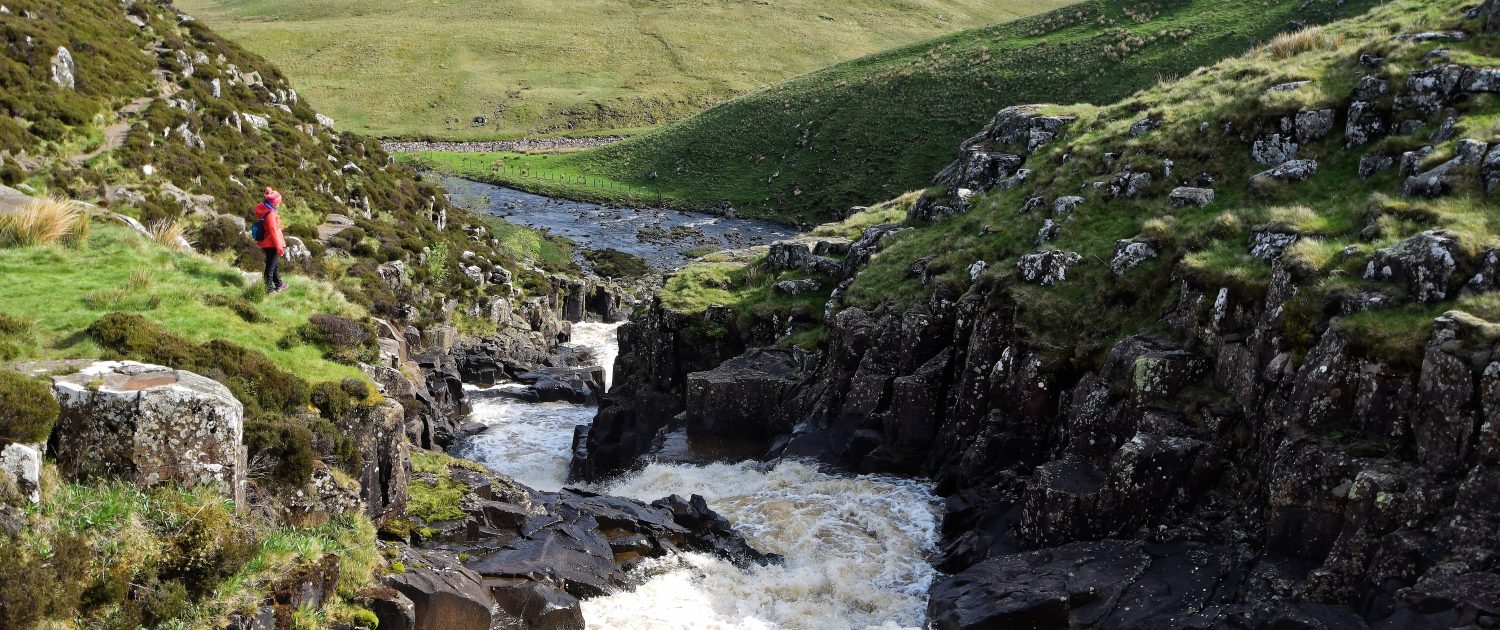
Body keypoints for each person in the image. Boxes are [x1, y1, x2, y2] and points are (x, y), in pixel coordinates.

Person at [254, 187, 288, 293]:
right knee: (270, 267)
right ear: (274, 203)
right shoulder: (271, 214)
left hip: (267, 242)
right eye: (278, 202)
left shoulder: (265, 208)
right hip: (273, 243)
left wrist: (269, 191)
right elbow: (273, 230)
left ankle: (279, 283)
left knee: (274, 264)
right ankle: (268, 289)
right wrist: (279, 247)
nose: (279, 204)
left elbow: (268, 197)